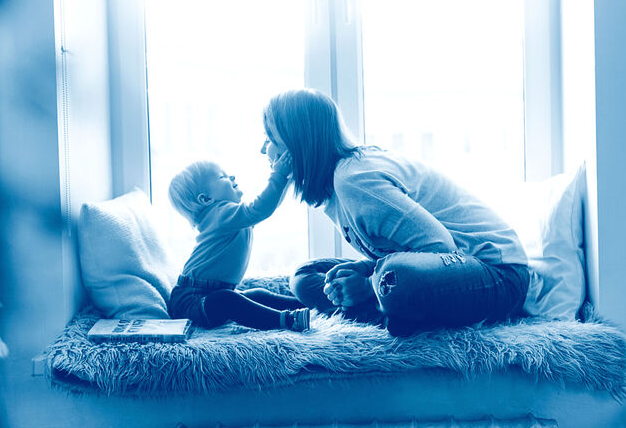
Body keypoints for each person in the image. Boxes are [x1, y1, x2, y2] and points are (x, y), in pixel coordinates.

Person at [260, 88, 532, 336]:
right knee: (306, 277)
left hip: (496, 274)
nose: (263, 149)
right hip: (441, 268)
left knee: (395, 278)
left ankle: (388, 310)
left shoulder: (354, 180)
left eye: (270, 138)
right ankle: (396, 313)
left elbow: (441, 247)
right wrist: (364, 273)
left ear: (298, 144)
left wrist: (367, 283)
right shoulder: (335, 188)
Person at [167, 154, 312, 332]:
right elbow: (260, 209)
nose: (232, 177)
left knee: (257, 295)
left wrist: (287, 179)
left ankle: (308, 306)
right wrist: (279, 176)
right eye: (223, 177)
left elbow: (267, 207)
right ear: (205, 199)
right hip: (191, 301)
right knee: (228, 300)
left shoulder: (229, 216)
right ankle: (286, 320)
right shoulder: (220, 213)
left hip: (208, 294)